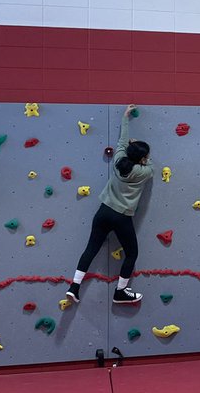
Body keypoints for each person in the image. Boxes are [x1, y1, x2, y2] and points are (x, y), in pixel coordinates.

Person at [62, 106, 153, 307]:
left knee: (91, 248)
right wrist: (141, 154)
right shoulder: (144, 172)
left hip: (103, 211)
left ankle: (74, 287)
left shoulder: (119, 160)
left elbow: (122, 140)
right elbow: (151, 165)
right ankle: (121, 291)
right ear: (143, 158)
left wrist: (125, 118)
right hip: (121, 216)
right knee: (132, 254)